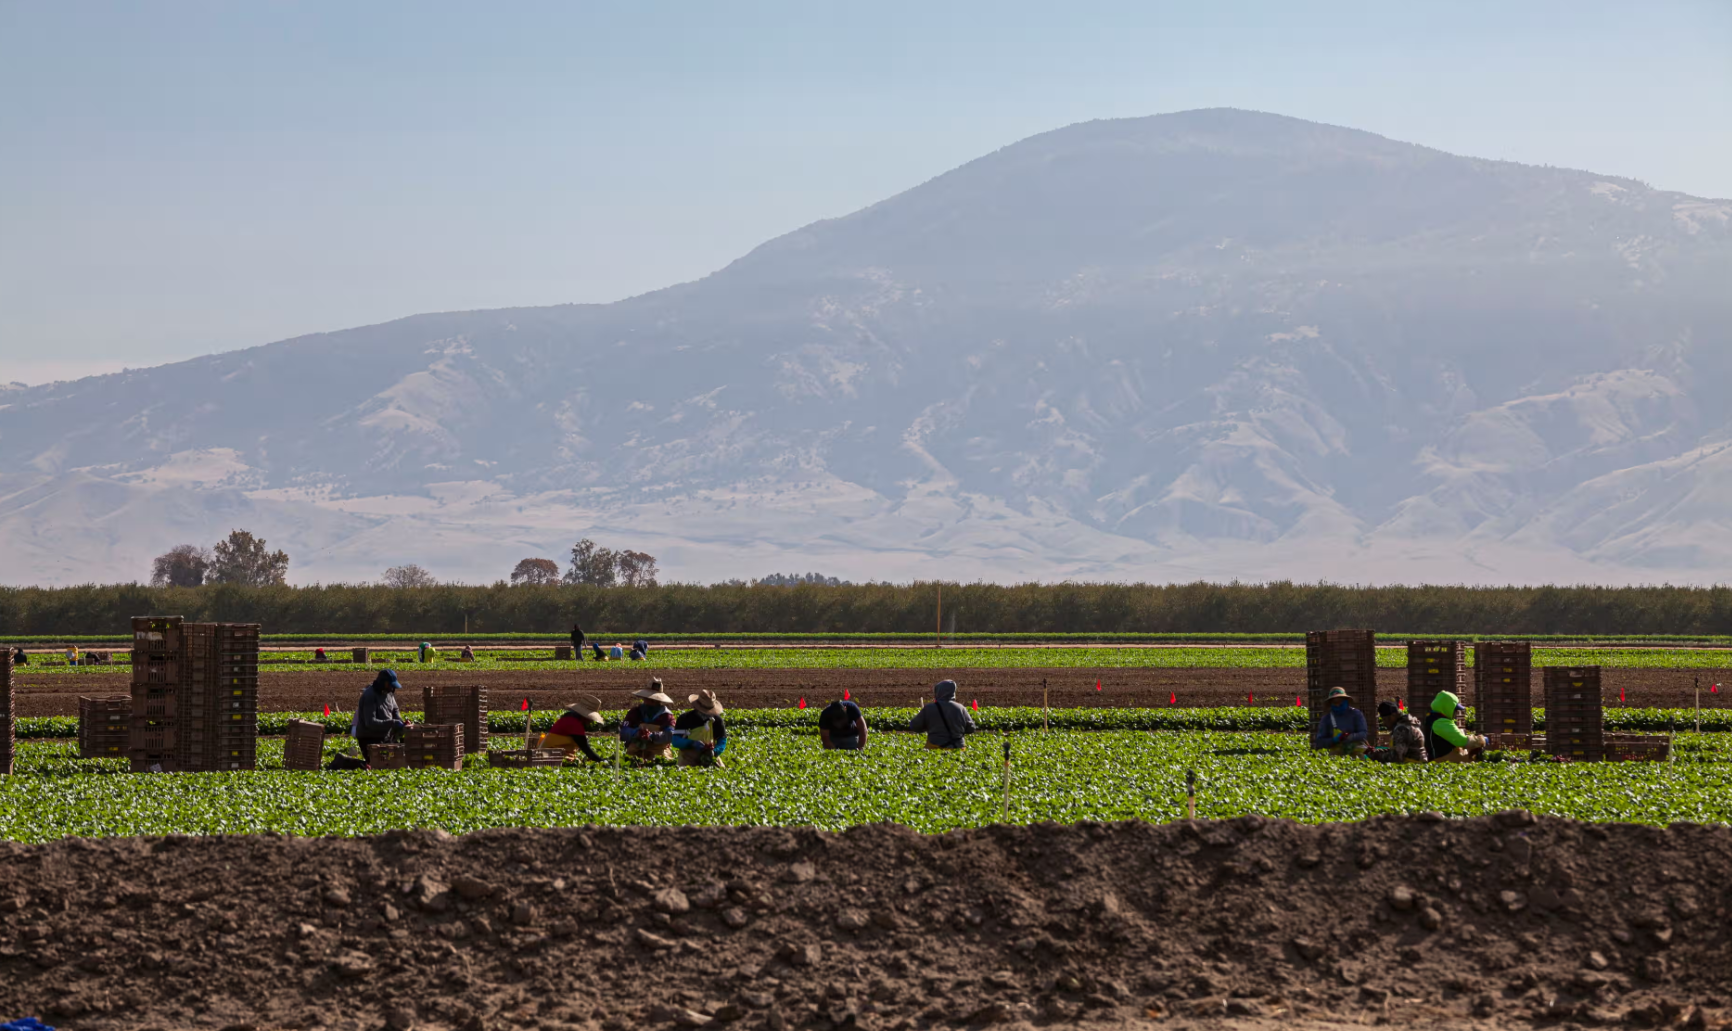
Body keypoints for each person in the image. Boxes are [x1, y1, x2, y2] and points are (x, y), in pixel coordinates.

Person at [353, 669, 413, 755]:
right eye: (390, 685)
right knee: (380, 763)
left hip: (385, 735)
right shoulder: (370, 696)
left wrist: (401, 722)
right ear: (383, 683)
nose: (392, 688)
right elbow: (370, 723)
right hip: (369, 738)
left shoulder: (389, 693)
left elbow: (395, 710)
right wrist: (392, 723)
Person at [1420, 691, 1487, 763]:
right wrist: (1481, 740)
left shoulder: (1434, 717)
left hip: (1443, 758)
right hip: (1443, 760)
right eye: (1455, 710)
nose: (1456, 713)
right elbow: (1461, 741)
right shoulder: (1440, 722)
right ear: (1447, 708)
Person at [909, 680, 976, 750]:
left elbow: (914, 726)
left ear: (938, 691)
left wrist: (927, 727)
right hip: (958, 747)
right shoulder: (961, 708)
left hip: (935, 747)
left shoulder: (929, 708)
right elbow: (971, 728)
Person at [620, 680, 676, 761]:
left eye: (654, 700)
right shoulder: (635, 712)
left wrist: (652, 736)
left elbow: (671, 735)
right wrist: (637, 733)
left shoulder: (667, 716)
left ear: (659, 701)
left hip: (659, 755)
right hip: (635, 753)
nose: (651, 701)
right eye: (649, 698)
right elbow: (623, 732)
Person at [672, 690, 728, 767]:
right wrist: (692, 743)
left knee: (721, 770)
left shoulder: (717, 720)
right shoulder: (685, 718)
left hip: (710, 757)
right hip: (688, 759)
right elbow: (675, 741)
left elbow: (722, 741)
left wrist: (714, 752)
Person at [542, 698, 608, 763]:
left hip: (554, 754)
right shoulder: (573, 723)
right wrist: (601, 761)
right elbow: (585, 747)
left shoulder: (569, 718)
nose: (591, 721)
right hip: (551, 757)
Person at [1311, 687, 1370, 756]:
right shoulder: (1326, 719)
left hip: (1357, 749)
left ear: (1346, 701)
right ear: (1331, 704)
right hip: (1336, 752)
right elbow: (1320, 741)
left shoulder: (1356, 714)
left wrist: (1350, 737)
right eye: (1335, 702)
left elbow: (1363, 733)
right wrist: (1334, 740)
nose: (1338, 704)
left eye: (1340, 701)